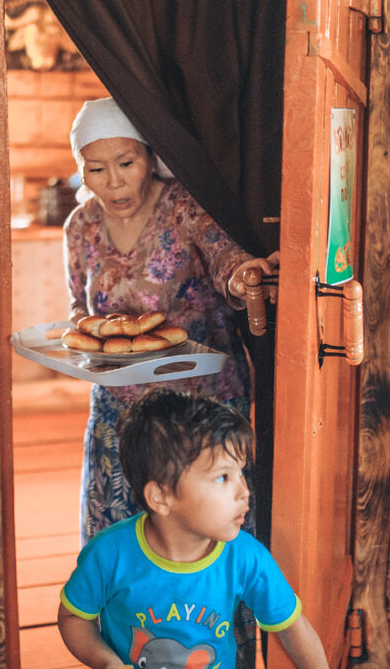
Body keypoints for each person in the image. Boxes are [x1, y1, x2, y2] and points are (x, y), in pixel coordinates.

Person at [64, 96, 279, 545]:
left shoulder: (184, 207)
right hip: (119, 411)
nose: (115, 181)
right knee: (120, 543)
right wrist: (78, 339)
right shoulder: (80, 226)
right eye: (97, 168)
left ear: (149, 155)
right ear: (82, 171)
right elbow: (80, 312)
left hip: (200, 406)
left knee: (210, 540)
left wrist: (246, 277)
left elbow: (227, 261)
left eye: (126, 162)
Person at [57, 389, 330, 669]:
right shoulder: (109, 554)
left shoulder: (247, 558)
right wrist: (106, 662)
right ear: (161, 497)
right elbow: (74, 617)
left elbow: (294, 628)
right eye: (223, 477)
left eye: (240, 473)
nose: (244, 491)